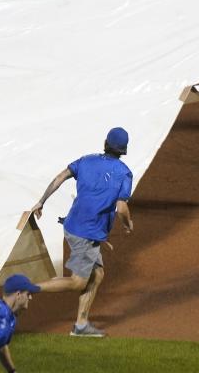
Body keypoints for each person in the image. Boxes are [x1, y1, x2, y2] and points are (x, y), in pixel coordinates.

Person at [30, 127, 134, 338]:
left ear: (105, 142)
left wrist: (41, 201)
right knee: (78, 281)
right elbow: (121, 208)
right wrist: (127, 223)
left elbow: (60, 177)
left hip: (77, 226)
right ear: (123, 150)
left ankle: (81, 324)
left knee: (97, 275)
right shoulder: (124, 173)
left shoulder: (86, 161)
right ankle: (26, 288)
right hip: (85, 233)